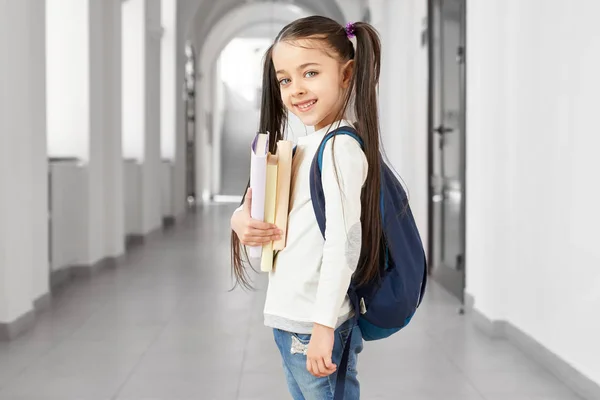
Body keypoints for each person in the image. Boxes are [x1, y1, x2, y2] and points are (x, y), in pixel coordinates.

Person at [230, 15, 383, 400]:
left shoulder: (339, 148)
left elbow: (343, 243)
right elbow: (276, 234)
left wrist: (324, 327)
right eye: (285, 79)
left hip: (314, 324)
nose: (296, 89)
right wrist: (241, 221)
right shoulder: (302, 147)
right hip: (290, 318)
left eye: (310, 73)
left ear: (347, 74)